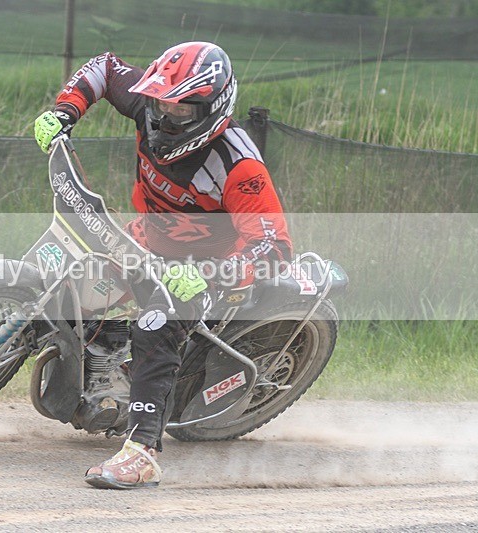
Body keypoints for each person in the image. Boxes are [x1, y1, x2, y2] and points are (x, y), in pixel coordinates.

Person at [34, 41, 292, 489]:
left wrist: (212, 275)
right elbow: (104, 66)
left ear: (212, 109)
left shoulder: (240, 168)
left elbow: (274, 247)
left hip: (208, 273)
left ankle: (143, 452)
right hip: (147, 241)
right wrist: (65, 111)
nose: (164, 117)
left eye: (180, 112)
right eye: (159, 104)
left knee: (155, 324)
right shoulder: (151, 102)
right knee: (69, 279)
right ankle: (90, 366)